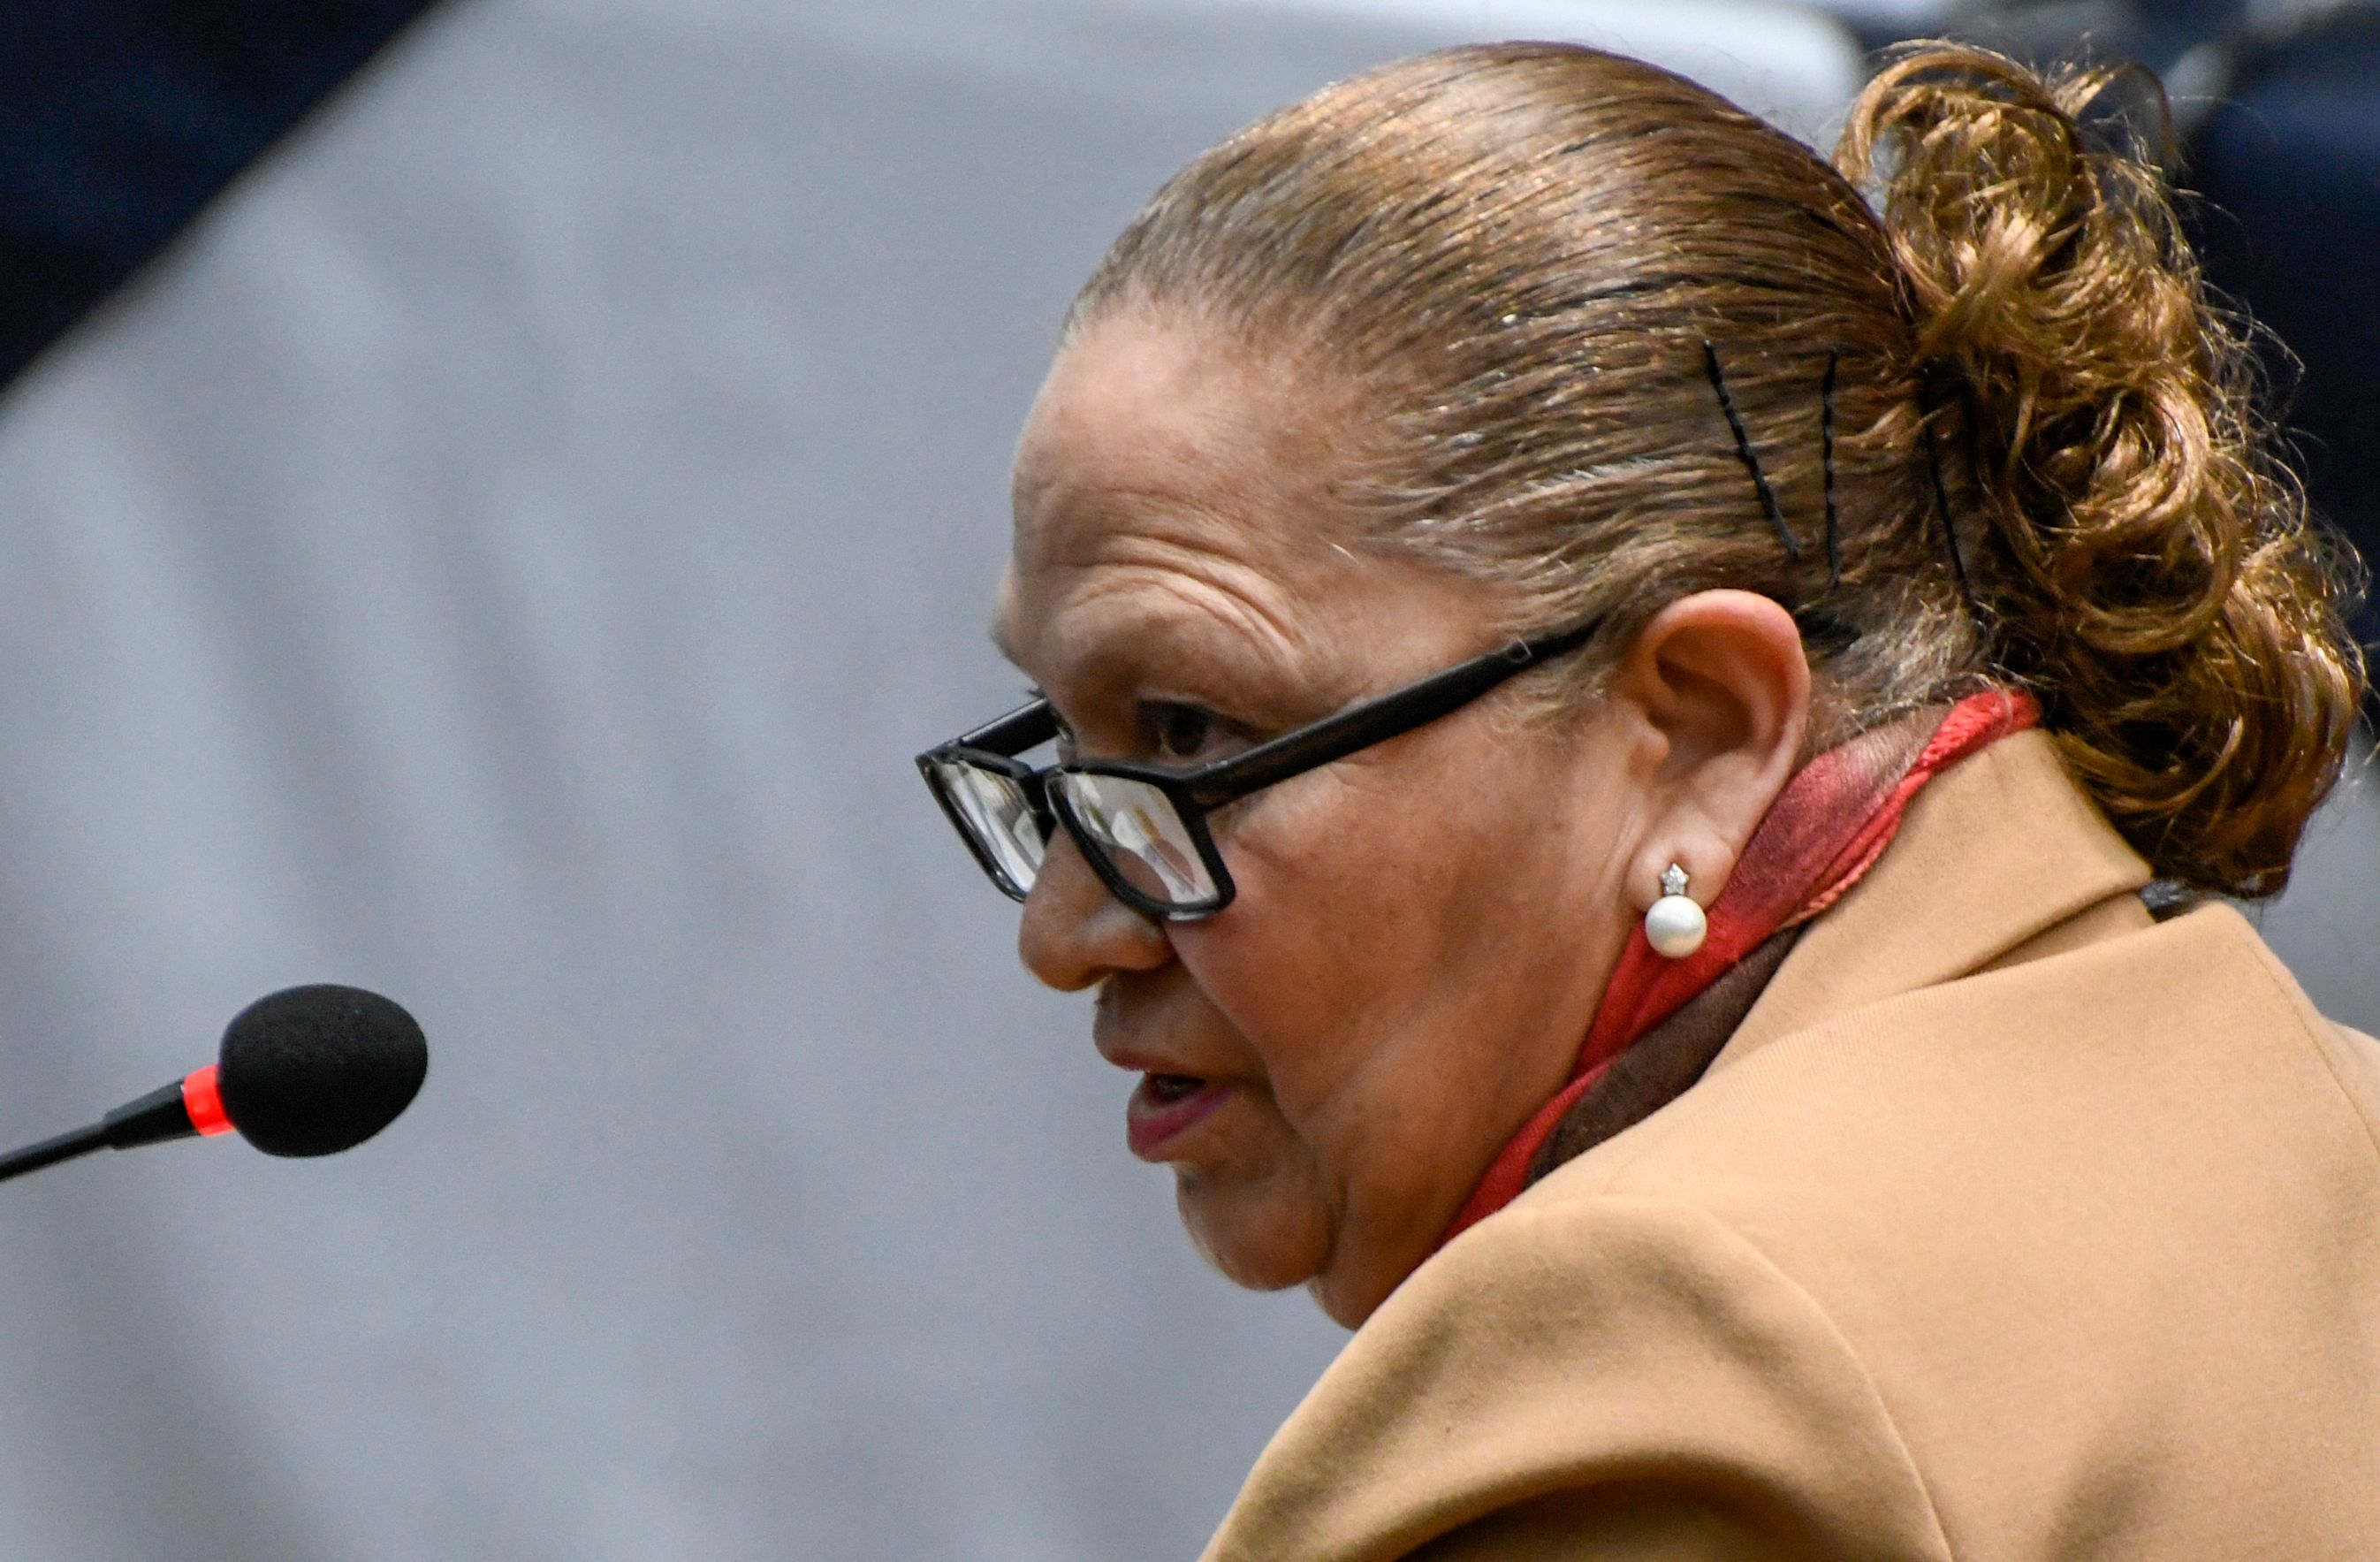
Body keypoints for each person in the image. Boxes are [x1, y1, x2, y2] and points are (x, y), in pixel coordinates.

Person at [916, 39, 2378, 1559]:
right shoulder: (2323, 1118)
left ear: (1697, 732)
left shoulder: (1670, 1368)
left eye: (1187, 728)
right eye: (1067, 752)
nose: (1070, 925)